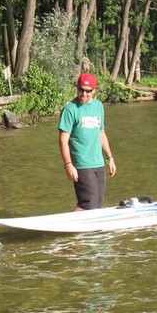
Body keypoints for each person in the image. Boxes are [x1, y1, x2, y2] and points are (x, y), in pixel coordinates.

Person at [58, 72, 116, 210]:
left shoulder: (98, 106)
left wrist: (110, 158)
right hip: (82, 163)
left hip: (99, 162)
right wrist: (68, 164)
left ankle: (88, 231)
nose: (83, 94)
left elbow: (101, 133)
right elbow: (63, 139)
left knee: (97, 204)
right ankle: (65, 227)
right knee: (87, 204)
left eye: (88, 91)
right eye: (81, 90)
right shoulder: (70, 109)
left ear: (94, 90)